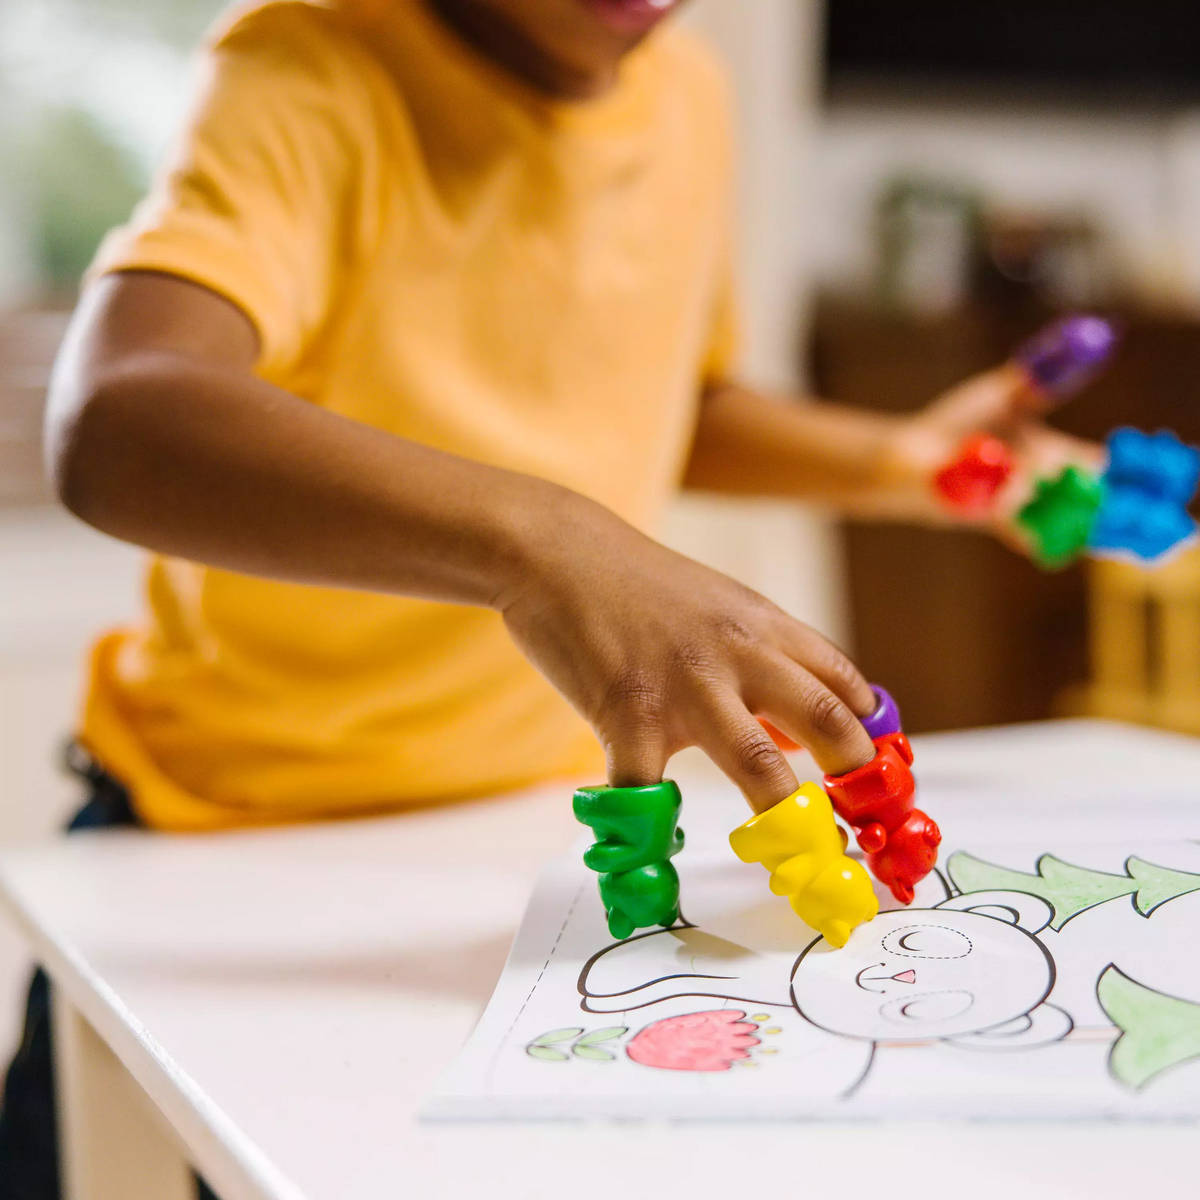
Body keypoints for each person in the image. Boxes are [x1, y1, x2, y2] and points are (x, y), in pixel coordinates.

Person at [0, 0, 1093, 1194]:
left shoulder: (686, 92)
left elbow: (669, 399)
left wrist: (897, 463)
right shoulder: (309, 67)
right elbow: (120, 418)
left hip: (509, 846)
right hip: (224, 842)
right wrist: (549, 545)